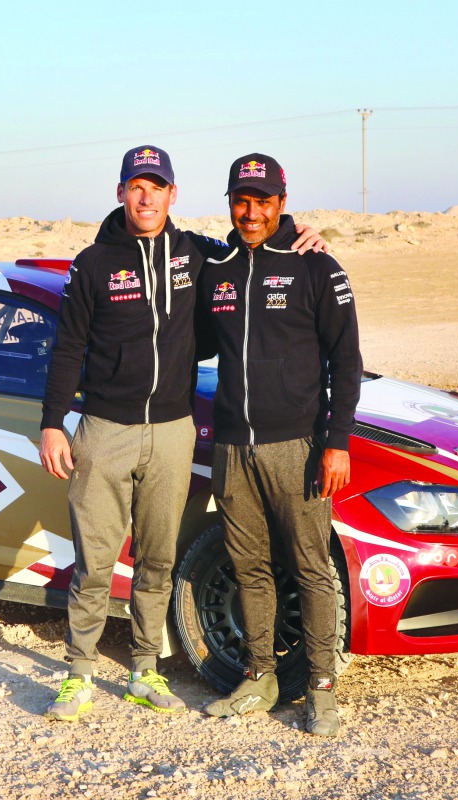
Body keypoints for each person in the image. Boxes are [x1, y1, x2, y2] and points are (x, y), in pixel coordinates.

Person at [38, 145, 325, 721]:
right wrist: (52, 423)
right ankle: (79, 673)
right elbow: (68, 347)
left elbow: (255, 241)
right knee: (95, 563)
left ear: (174, 194)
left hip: (172, 430)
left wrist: (297, 233)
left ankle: (145, 668)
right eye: (135, 186)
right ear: (121, 192)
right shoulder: (92, 263)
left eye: (157, 186)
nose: (146, 197)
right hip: (104, 429)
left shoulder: (197, 254)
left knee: (157, 560)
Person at [196, 152, 362, 736]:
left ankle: (320, 688)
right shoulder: (215, 267)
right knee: (250, 569)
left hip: (298, 445)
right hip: (232, 448)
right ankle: (259, 677)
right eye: (241, 201)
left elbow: (347, 362)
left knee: (312, 568)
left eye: (263, 202)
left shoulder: (316, 265)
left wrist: (335, 442)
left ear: (281, 204)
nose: (251, 212)